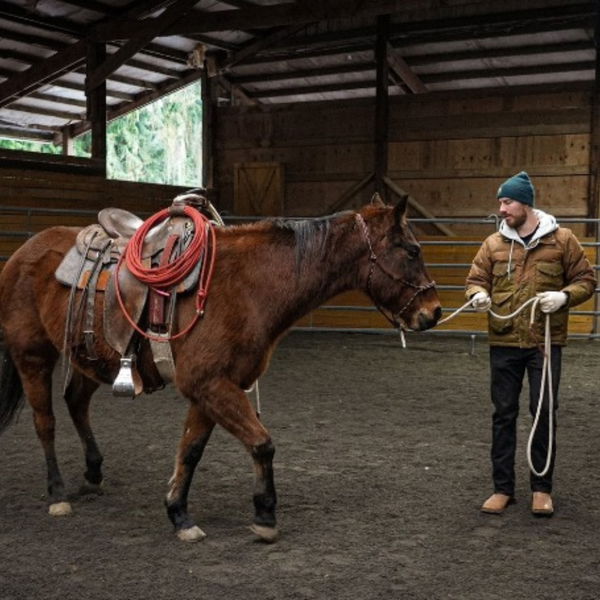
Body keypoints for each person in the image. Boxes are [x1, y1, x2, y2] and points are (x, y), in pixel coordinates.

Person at [465, 171, 596, 517]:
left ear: (525, 202)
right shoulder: (492, 244)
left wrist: (564, 296)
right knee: (503, 415)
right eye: (501, 202)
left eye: (507, 202)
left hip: (544, 343)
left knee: (543, 414)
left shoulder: (563, 240)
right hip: (503, 342)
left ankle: (541, 488)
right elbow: (475, 279)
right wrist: (478, 294)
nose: (502, 208)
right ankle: (502, 489)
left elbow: (587, 280)